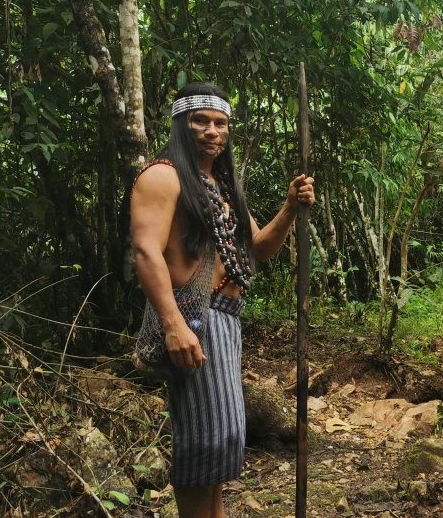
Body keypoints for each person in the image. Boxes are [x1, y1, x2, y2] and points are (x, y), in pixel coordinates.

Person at [129, 82, 315, 518]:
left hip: (227, 320)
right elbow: (146, 251)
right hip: (194, 318)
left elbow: (257, 249)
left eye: (220, 123)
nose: (212, 131)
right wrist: (174, 324)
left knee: (224, 442)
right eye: (201, 121)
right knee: (202, 445)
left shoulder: (221, 186)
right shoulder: (162, 176)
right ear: (181, 124)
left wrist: (290, 207)